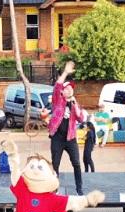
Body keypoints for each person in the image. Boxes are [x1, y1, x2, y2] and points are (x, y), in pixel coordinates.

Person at [47, 61, 85, 195]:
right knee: (55, 164)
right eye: (67, 88)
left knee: (76, 163)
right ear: (63, 91)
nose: (69, 90)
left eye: (71, 89)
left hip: (70, 138)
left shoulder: (75, 103)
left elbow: (81, 119)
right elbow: (58, 85)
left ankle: (79, 189)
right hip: (57, 137)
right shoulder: (58, 100)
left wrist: (74, 105)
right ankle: (54, 188)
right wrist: (65, 72)